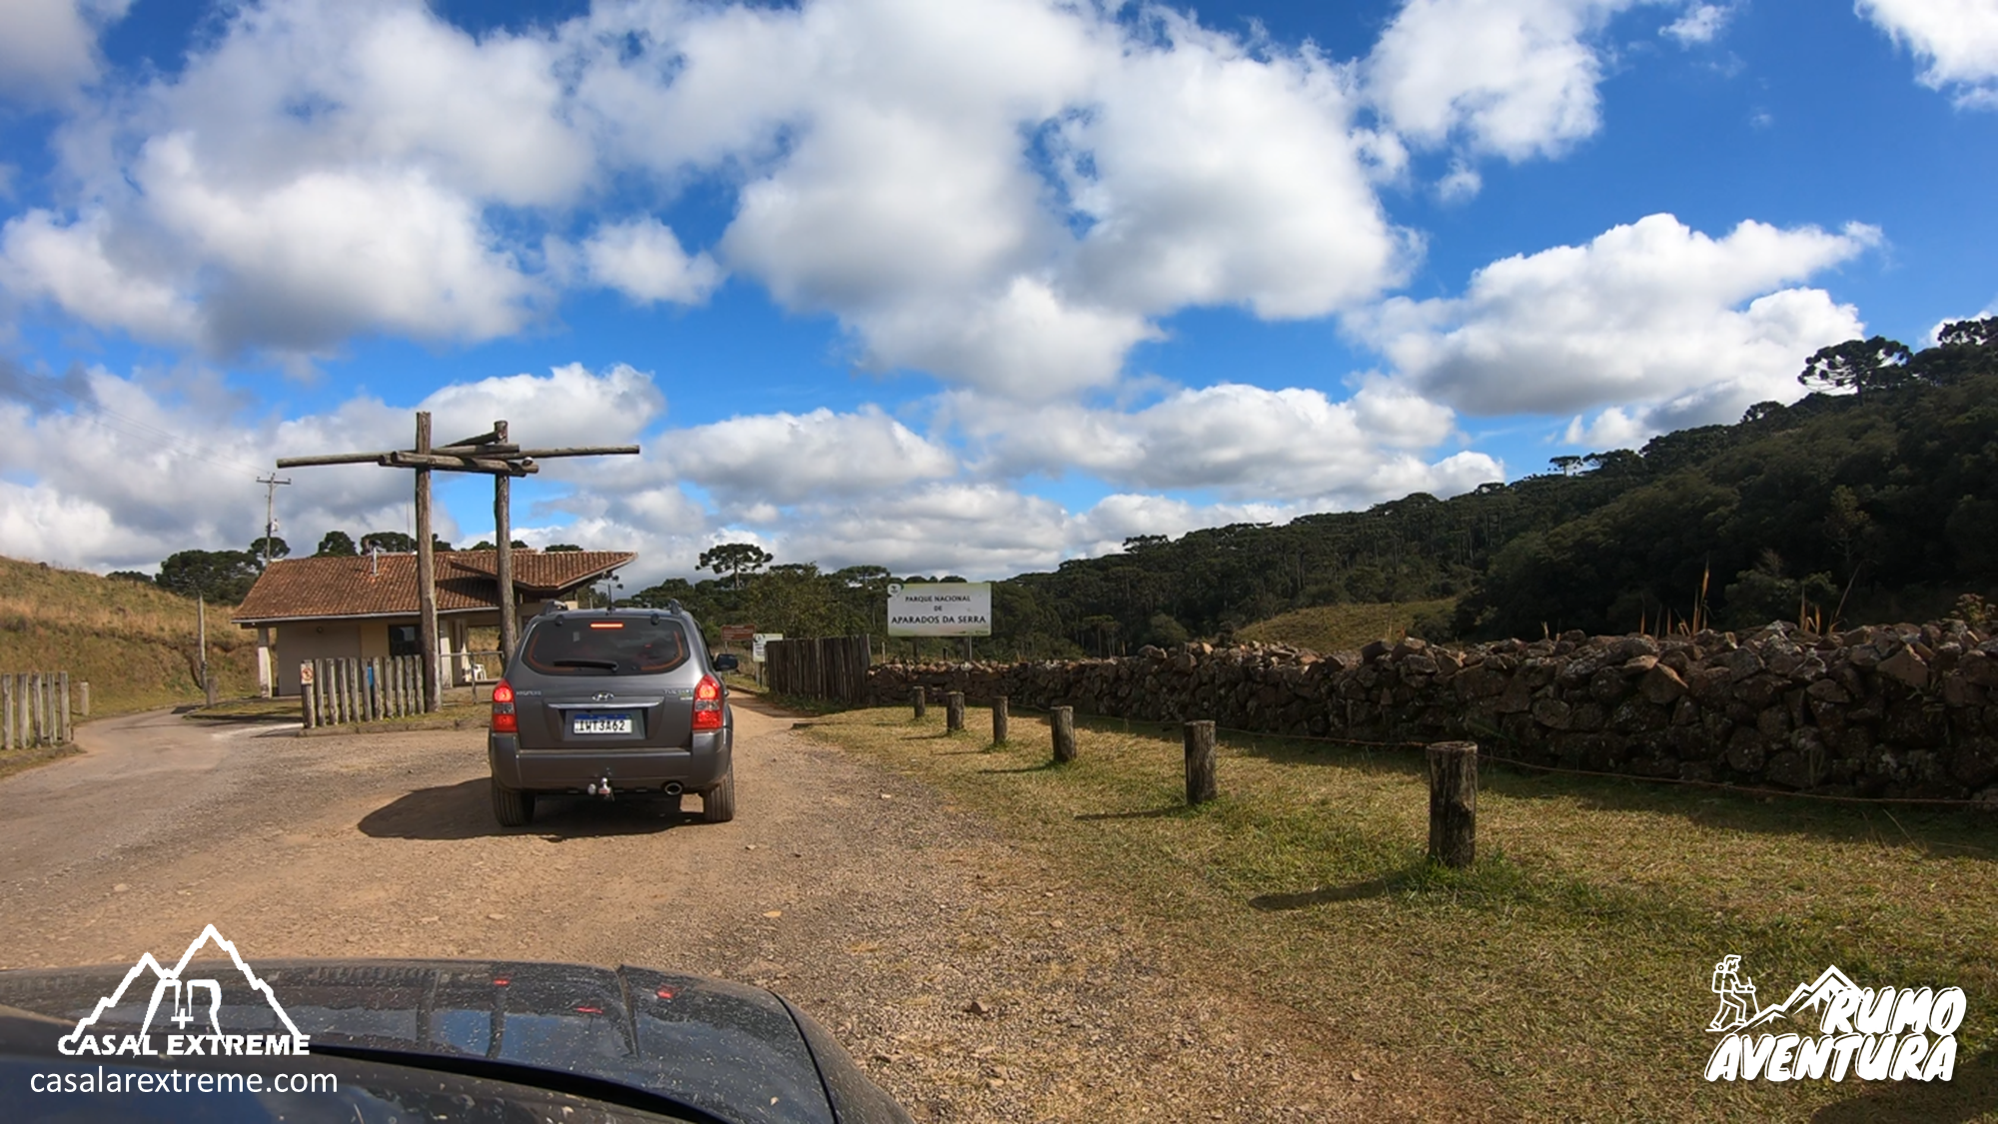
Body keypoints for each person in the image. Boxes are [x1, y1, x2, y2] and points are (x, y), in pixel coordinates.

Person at [1708, 955, 1757, 1032]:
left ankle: (1715, 1023)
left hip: (1725, 994)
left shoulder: (1723, 974)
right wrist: (1747, 988)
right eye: (1735, 964)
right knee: (1741, 1004)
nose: (1737, 966)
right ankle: (1740, 1021)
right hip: (1728, 995)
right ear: (1730, 964)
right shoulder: (1730, 975)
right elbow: (1738, 988)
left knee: (1725, 1009)